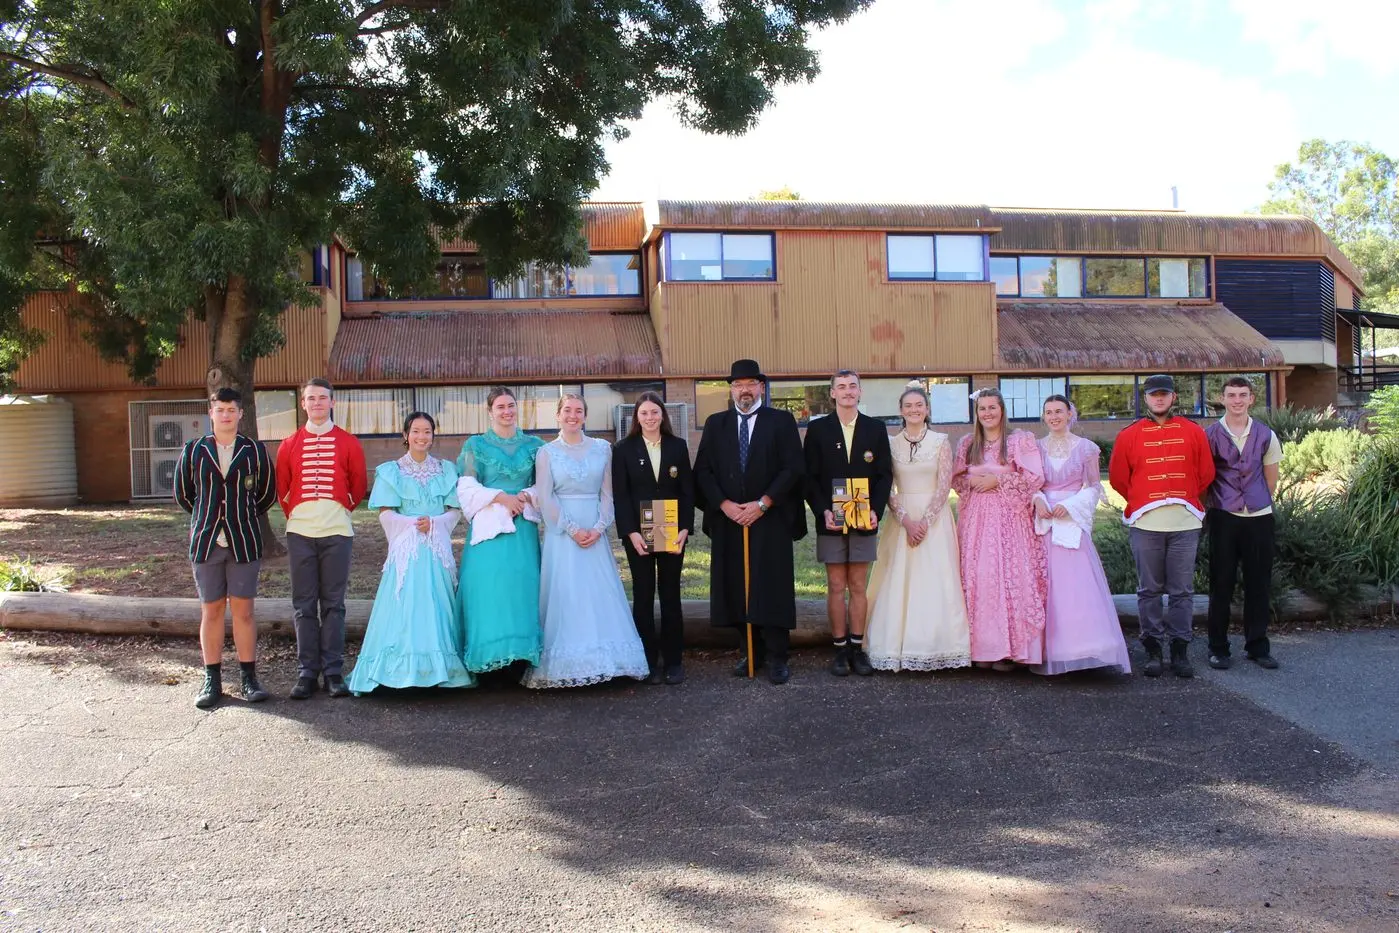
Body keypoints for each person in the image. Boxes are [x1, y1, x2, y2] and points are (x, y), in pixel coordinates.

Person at [693, 359, 807, 685]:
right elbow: (703, 472)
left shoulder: (781, 421)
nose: (744, 389)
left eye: (750, 383)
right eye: (738, 384)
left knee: (771, 585)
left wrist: (763, 503)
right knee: (737, 587)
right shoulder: (716, 424)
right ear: (731, 389)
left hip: (769, 518)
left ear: (761, 387)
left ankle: (777, 656)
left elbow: (792, 468)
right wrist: (724, 505)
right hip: (731, 520)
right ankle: (749, 651)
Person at [524, 395, 649, 688]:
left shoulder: (603, 449)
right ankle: (568, 663)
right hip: (563, 532)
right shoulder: (546, 453)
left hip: (594, 530)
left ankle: (609, 659)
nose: (573, 415)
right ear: (557, 415)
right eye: (567, 410)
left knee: (599, 591)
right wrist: (571, 528)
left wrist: (598, 526)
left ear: (585, 416)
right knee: (567, 591)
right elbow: (545, 496)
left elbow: (608, 493)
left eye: (578, 411)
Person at [348, 412, 476, 696]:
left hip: (435, 547)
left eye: (427, 431)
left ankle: (440, 670)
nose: (422, 436)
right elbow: (385, 513)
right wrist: (411, 525)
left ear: (433, 435)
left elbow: (454, 510)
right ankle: (399, 670)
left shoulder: (445, 470)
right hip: (407, 549)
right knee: (403, 605)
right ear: (406, 435)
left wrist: (435, 523)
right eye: (416, 431)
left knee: (437, 604)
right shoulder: (390, 471)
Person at [174, 388, 278, 709]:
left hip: (243, 541)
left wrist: (237, 517)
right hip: (206, 543)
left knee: (244, 612)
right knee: (212, 610)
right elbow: (184, 494)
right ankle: (212, 678)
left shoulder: (254, 451)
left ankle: (249, 677)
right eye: (220, 410)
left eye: (232, 410)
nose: (226, 415)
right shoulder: (194, 451)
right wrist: (210, 518)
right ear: (211, 413)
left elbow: (266, 494)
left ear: (240, 414)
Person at [1109, 374, 1216, 678]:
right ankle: (1153, 648)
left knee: (1182, 590)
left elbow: (1205, 473)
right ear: (1146, 399)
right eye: (1153, 395)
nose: (1159, 399)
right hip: (1145, 522)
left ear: (1173, 398)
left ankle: (1180, 649)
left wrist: (1181, 496)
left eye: (1164, 394)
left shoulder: (1194, 432)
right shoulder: (1129, 435)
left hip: (1185, 523)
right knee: (1149, 590)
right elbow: (1118, 477)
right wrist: (1145, 497)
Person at [865, 382, 971, 672]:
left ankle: (939, 645)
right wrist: (906, 520)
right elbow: (885, 485)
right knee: (899, 578)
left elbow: (944, 484)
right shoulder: (889, 443)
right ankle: (896, 644)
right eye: (908, 406)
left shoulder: (940, 441)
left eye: (919, 405)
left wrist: (924, 522)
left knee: (936, 578)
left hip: (934, 520)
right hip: (902, 518)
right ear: (900, 410)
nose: (914, 410)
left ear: (927, 410)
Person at [276, 378, 368, 700]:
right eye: (311, 398)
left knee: (334, 605)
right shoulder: (288, 444)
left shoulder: (349, 442)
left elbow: (357, 488)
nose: (316, 403)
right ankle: (306, 672)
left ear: (331, 402)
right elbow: (283, 490)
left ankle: (333, 671)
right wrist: (302, 515)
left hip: (337, 532)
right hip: (300, 532)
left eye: (322, 398)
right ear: (303, 404)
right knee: (303, 604)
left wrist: (336, 511)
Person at [1031, 395, 1132, 676]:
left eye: (1058, 411)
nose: (1054, 417)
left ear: (1069, 414)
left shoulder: (1087, 448)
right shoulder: (1036, 449)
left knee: (1076, 585)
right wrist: (1039, 500)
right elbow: (1031, 483)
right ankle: (1051, 649)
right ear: (1043, 417)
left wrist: (1071, 506)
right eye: (1048, 412)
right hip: (1045, 521)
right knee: (1047, 585)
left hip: (1070, 520)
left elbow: (1093, 487)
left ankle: (1085, 646)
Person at [803, 370, 893, 676]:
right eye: (841, 387)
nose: (847, 391)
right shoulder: (817, 431)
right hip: (831, 520)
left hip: (863, 519)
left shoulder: (876, 429)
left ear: (860, 392)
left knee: (857, 585)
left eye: (852, 386)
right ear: (832, 394)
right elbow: (809, 478)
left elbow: (884, 475)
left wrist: (875, 511)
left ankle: (858, 648)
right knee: (835, 585)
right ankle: (839, 650)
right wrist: (822, 511)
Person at [952, 387, 1047, 671]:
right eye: (982, 409)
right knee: (979, 577)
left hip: (1010, 520)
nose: (987, 413)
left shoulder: (1019, 441)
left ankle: (1010, 650)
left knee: (1009, 577)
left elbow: (1034, 478)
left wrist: (998, 481)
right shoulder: (968, 443)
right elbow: (955, 479)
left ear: (1002, 410)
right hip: (976, 521)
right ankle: (982, 648)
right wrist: (972, 482)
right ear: (976, 413)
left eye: (992, 407)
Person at [455, 386, 545, 676]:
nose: (507, 412)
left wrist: (525, 496)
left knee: (522, 588)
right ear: (489, 411)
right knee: (488, 589)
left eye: (511, 406)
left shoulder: (535, 445)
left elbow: (545, 484)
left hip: (522, 528)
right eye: (500, 407)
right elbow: (466, 486)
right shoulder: (475, 446)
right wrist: (501, 498)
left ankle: (520, 660)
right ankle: (488, 662)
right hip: (489, 529)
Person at [612, 392, 695, 685]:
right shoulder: (623, 449)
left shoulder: (678, 446)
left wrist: (685, 528)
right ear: (636, 417)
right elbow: (620, 496)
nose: (650, 418)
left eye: (654, 412)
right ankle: (646, 660)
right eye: (644, 413)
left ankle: (673, 662)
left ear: (663, 415)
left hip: (672, 531)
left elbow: (687, 491)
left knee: (670, 594)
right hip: (638, 534)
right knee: (644, 595)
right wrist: (630, 532)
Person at [1204, 377, 1282, 671]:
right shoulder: (1209, 435)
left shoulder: (1265, 434)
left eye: (1242, 395)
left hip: (1259, 518)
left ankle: (1257, 646)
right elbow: (1204, 479)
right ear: (1222, 399)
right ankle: (1218, 648)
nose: (1237, 400)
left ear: (1251, 399)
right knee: (1221, 583)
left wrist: (1256, 502)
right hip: (1223, 516)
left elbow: (1270, 479)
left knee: (1258, 583)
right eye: (1231, 395)